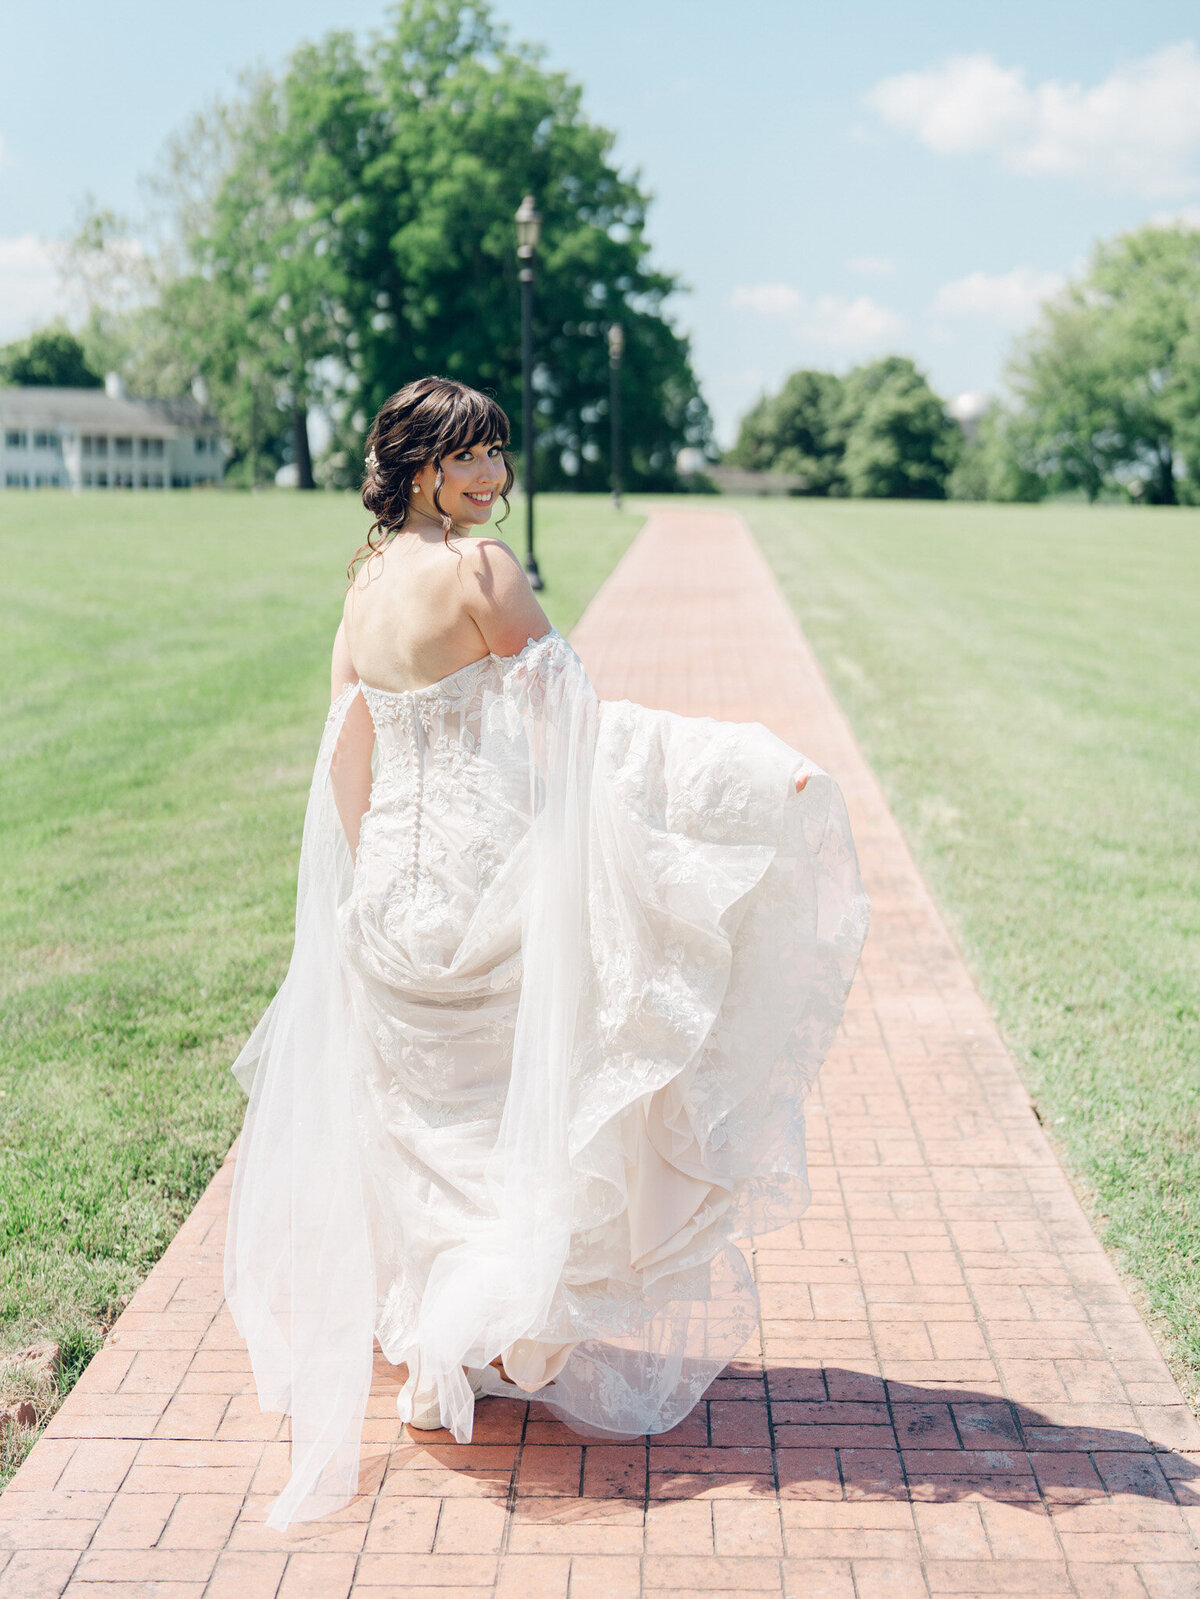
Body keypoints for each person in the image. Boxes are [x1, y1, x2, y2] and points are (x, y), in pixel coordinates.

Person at [224, 375, 870, 1531]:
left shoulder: (367, 584)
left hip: (393, 896)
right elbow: (585, 727)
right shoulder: (482, 576)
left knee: (434, 1126)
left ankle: (444, 1345)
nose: (495, 483)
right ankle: (494, 1329)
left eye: (499, 459)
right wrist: (744, 777)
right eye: (471, 461)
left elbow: (346, 746)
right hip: (482, 880)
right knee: (530, 1103)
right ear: (421, 465)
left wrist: (368, 880)